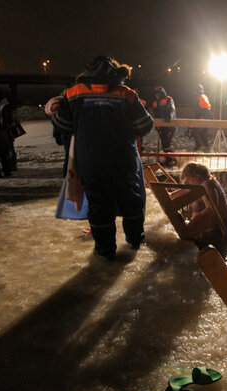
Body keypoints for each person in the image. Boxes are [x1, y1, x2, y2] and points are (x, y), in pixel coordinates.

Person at [52, 56, 154, 261]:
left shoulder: (72, 94)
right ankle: (135, 239)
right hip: (123, 160)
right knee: (131, 200)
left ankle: (105, 250)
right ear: (115, 73)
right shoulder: (127, 94)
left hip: (91, 161)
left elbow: (61, 125)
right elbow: (144, 126)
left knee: (99, 206)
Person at [171, 163, 227, 247]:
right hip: (223, 221)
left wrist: (194, 221)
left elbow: (212, 208)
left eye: (189, 179)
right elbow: (187, 189)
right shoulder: (203, 182)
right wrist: (172, 195)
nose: (189, 183)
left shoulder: (208, 185)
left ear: (198, 176)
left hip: (221, 224)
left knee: (198, 245)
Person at [150, 85, 177, 166]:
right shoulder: (155, 103)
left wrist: (169, 116)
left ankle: (172, 160)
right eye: (155, 94)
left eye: (158, 93)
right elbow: (156, 114)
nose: (156, 95)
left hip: (170, 126)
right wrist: (157, 125)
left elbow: (171, 109)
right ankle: (169, 159)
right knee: (164, 144)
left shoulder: (168, 99)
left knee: (168, 143)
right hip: (161, 127)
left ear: (161, 93)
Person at [0, 97, 18, 171]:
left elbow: (6, 119)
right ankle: (11, 164)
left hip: (6, 130)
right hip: (6, 130)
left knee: (9, 148)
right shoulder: (3, 106)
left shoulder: (4, 106)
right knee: (9, 148)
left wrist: (5, 126)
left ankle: (12, 165)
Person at [193, 84, 213, 151]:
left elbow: (206, 109)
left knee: (195, 132)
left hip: (204, 120)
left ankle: (199, 147)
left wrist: (202, 119)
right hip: (205, 119)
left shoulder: (202, 97)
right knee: (203, 134)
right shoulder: (202, 97)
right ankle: (207, 151)